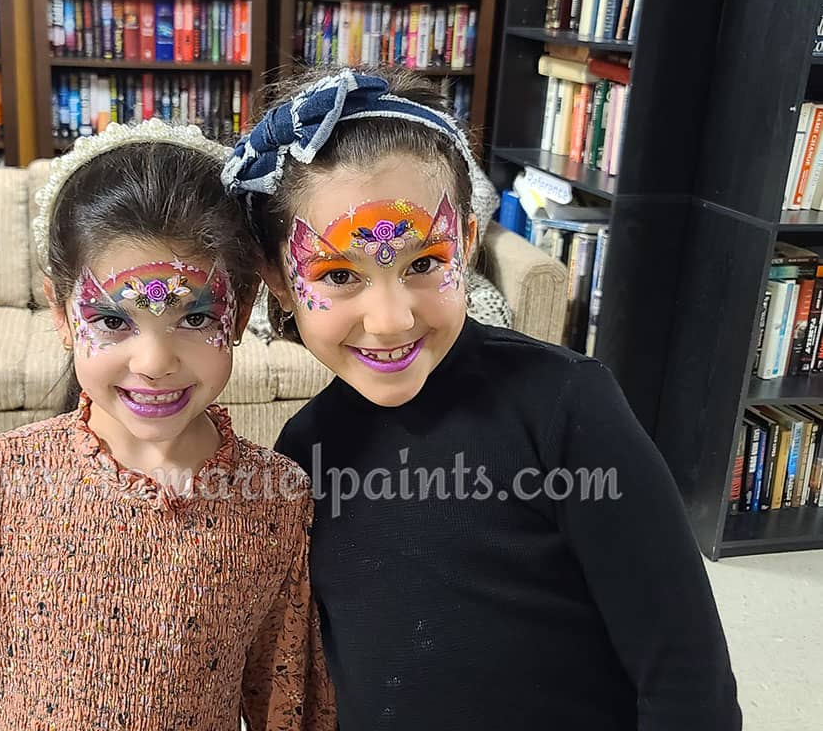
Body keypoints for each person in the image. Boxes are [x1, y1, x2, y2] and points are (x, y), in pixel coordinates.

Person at [222, 65, 741, 731]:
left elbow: (684, 675)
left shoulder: (567, 409)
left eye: (422, 264)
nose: (390, 319)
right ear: (279, 280)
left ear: (465, 242)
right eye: (339, 275)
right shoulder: (304, 449)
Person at [0, 119, 336, 731]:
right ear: (61, 312)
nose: (154, 363)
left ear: (237, 315)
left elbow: (284, 699)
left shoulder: (277, 500)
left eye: (194, 318)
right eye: (111, 319)